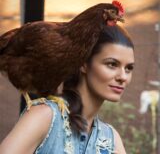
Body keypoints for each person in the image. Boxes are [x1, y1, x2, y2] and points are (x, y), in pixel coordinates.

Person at [0, 24, 135, 154]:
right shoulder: (45, 116)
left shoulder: (111, 139)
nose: (123, 77)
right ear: (83, 64)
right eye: (112, 64)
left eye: (129, 68)